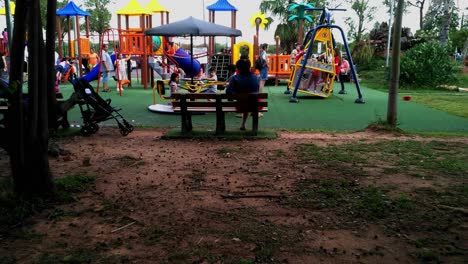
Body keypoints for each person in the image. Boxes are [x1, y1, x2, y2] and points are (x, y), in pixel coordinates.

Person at [226, 59, 259, 131]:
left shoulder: (234, 78)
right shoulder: (255, 77)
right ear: (249, 67)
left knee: (244, 100)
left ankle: (243, 125)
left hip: (239, 106)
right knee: (249, 100)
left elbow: (228, 92)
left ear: (238, 68)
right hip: (254, 105)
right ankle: (243, 124)